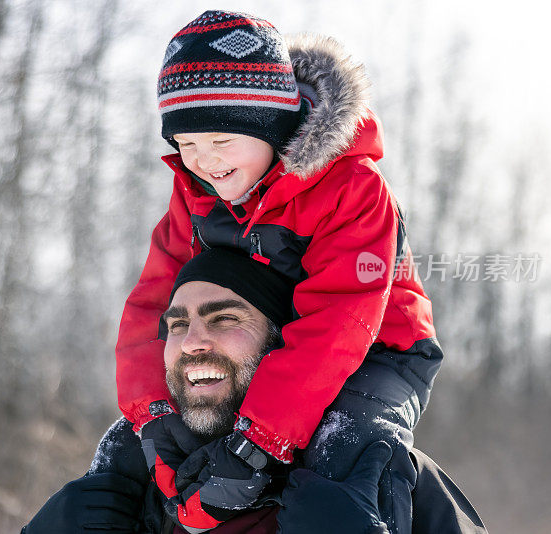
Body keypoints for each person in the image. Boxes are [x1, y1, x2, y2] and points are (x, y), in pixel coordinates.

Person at [116, 10, 443, 534]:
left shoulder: (351, 188)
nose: (203, 161)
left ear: (272, 126)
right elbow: (153, 302)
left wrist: (260, 441)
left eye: (222, 142)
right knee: (136, 446)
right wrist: (151, 412)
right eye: (187, 144)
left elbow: (339, 322)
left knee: (342, 456)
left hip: (379, 351)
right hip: (269, 340)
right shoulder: (197, 189)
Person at [23, 249, 485, 533]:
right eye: (177, 324)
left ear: (285, 344)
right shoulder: (133, 483)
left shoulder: (377, 473)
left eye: (225, 319)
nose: (191, 342)